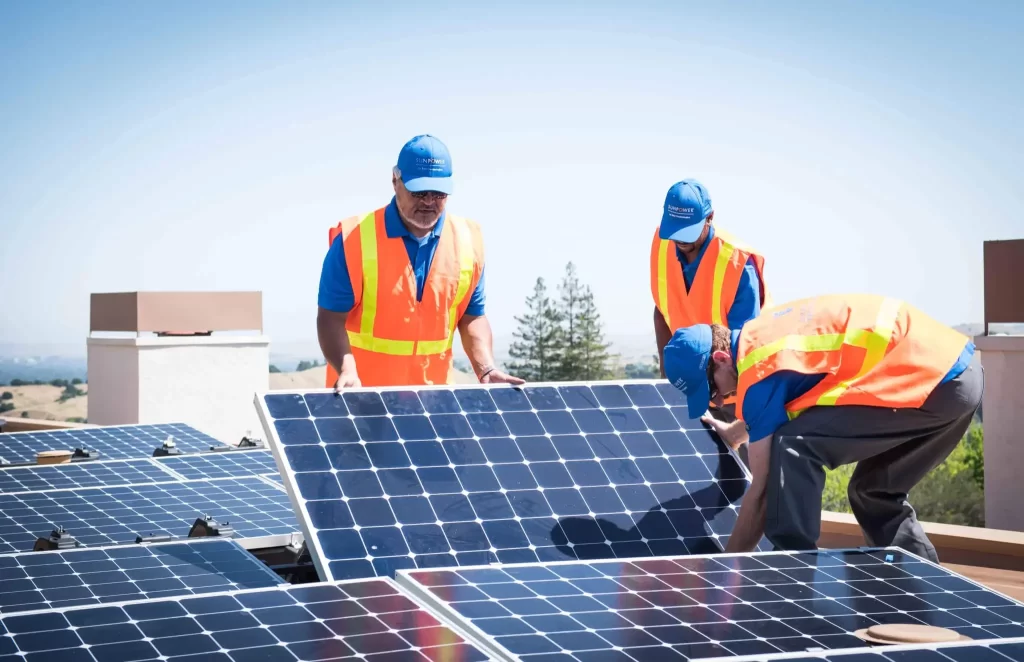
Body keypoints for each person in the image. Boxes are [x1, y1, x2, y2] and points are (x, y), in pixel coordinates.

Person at [662, 293, 983, 563]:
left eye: (711, 390)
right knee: (873, 492)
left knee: (794, 445)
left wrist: (727, 569)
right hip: (957, 372)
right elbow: (775, 403)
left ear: (720, 358)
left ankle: (791, 573)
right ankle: (920, 597)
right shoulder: (758, 342)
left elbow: (761, 493)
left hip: (930, 380)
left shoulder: (758, 370)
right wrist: (736, 433)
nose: (719, 400)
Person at [316, 134, 523, 390]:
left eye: (438, 193)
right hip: (361, 399)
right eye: (419, 191)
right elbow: (330, 318)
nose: (428, 202)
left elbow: (471, 317)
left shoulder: (469, 241)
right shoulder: (352, 240)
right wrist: (347, 370)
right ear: (395, 181)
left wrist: (486, 368)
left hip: (433, 403)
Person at [650, 179, 770, 418]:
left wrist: (735, 411)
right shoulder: (663, 243)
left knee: (740, 454)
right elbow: (662, 312)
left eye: (688, 232)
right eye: (675, 231)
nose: (681, 240)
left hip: (734, 394)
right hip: (694, 388)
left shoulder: (737, 266)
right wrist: (670, 382)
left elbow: (746, 354)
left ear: (710, 217)